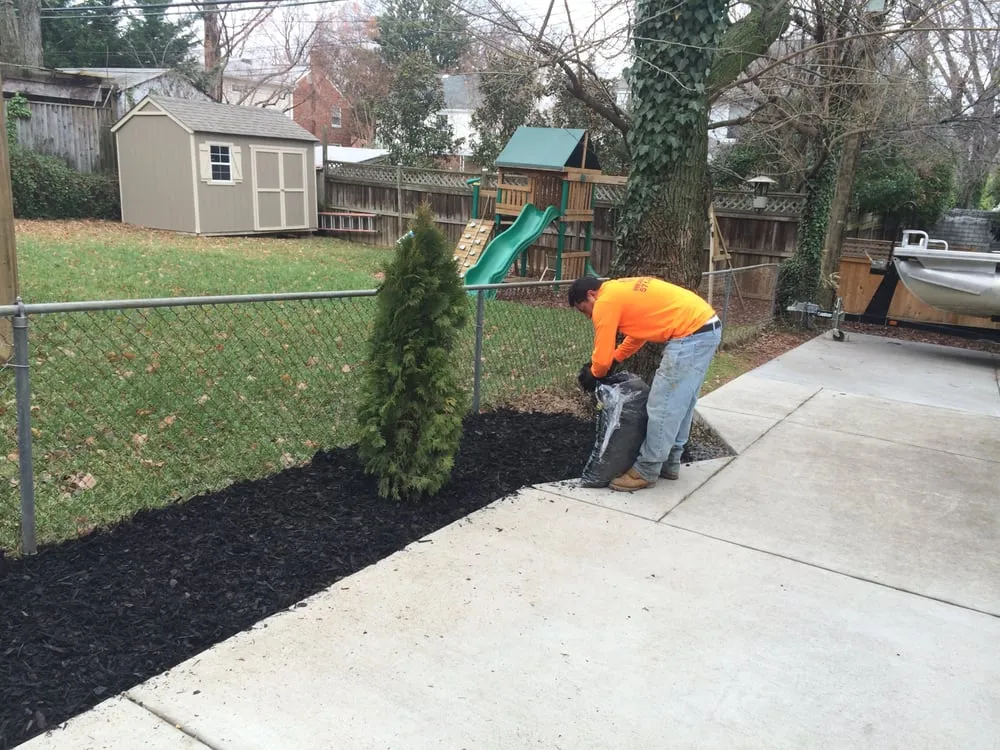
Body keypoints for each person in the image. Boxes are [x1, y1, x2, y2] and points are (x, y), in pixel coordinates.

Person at [569, 275, 721, 492]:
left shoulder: (604, 302)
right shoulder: (618, 291)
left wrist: (594, 373)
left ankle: (646, 470)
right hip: (706, 328)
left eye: (584, 310)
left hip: (690, 336)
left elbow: (600, 360)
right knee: (682, 403)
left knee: (662, 405)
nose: (587, 316)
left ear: (591, 295)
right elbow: (637, 335)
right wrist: (616, 358)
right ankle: (670, 462)